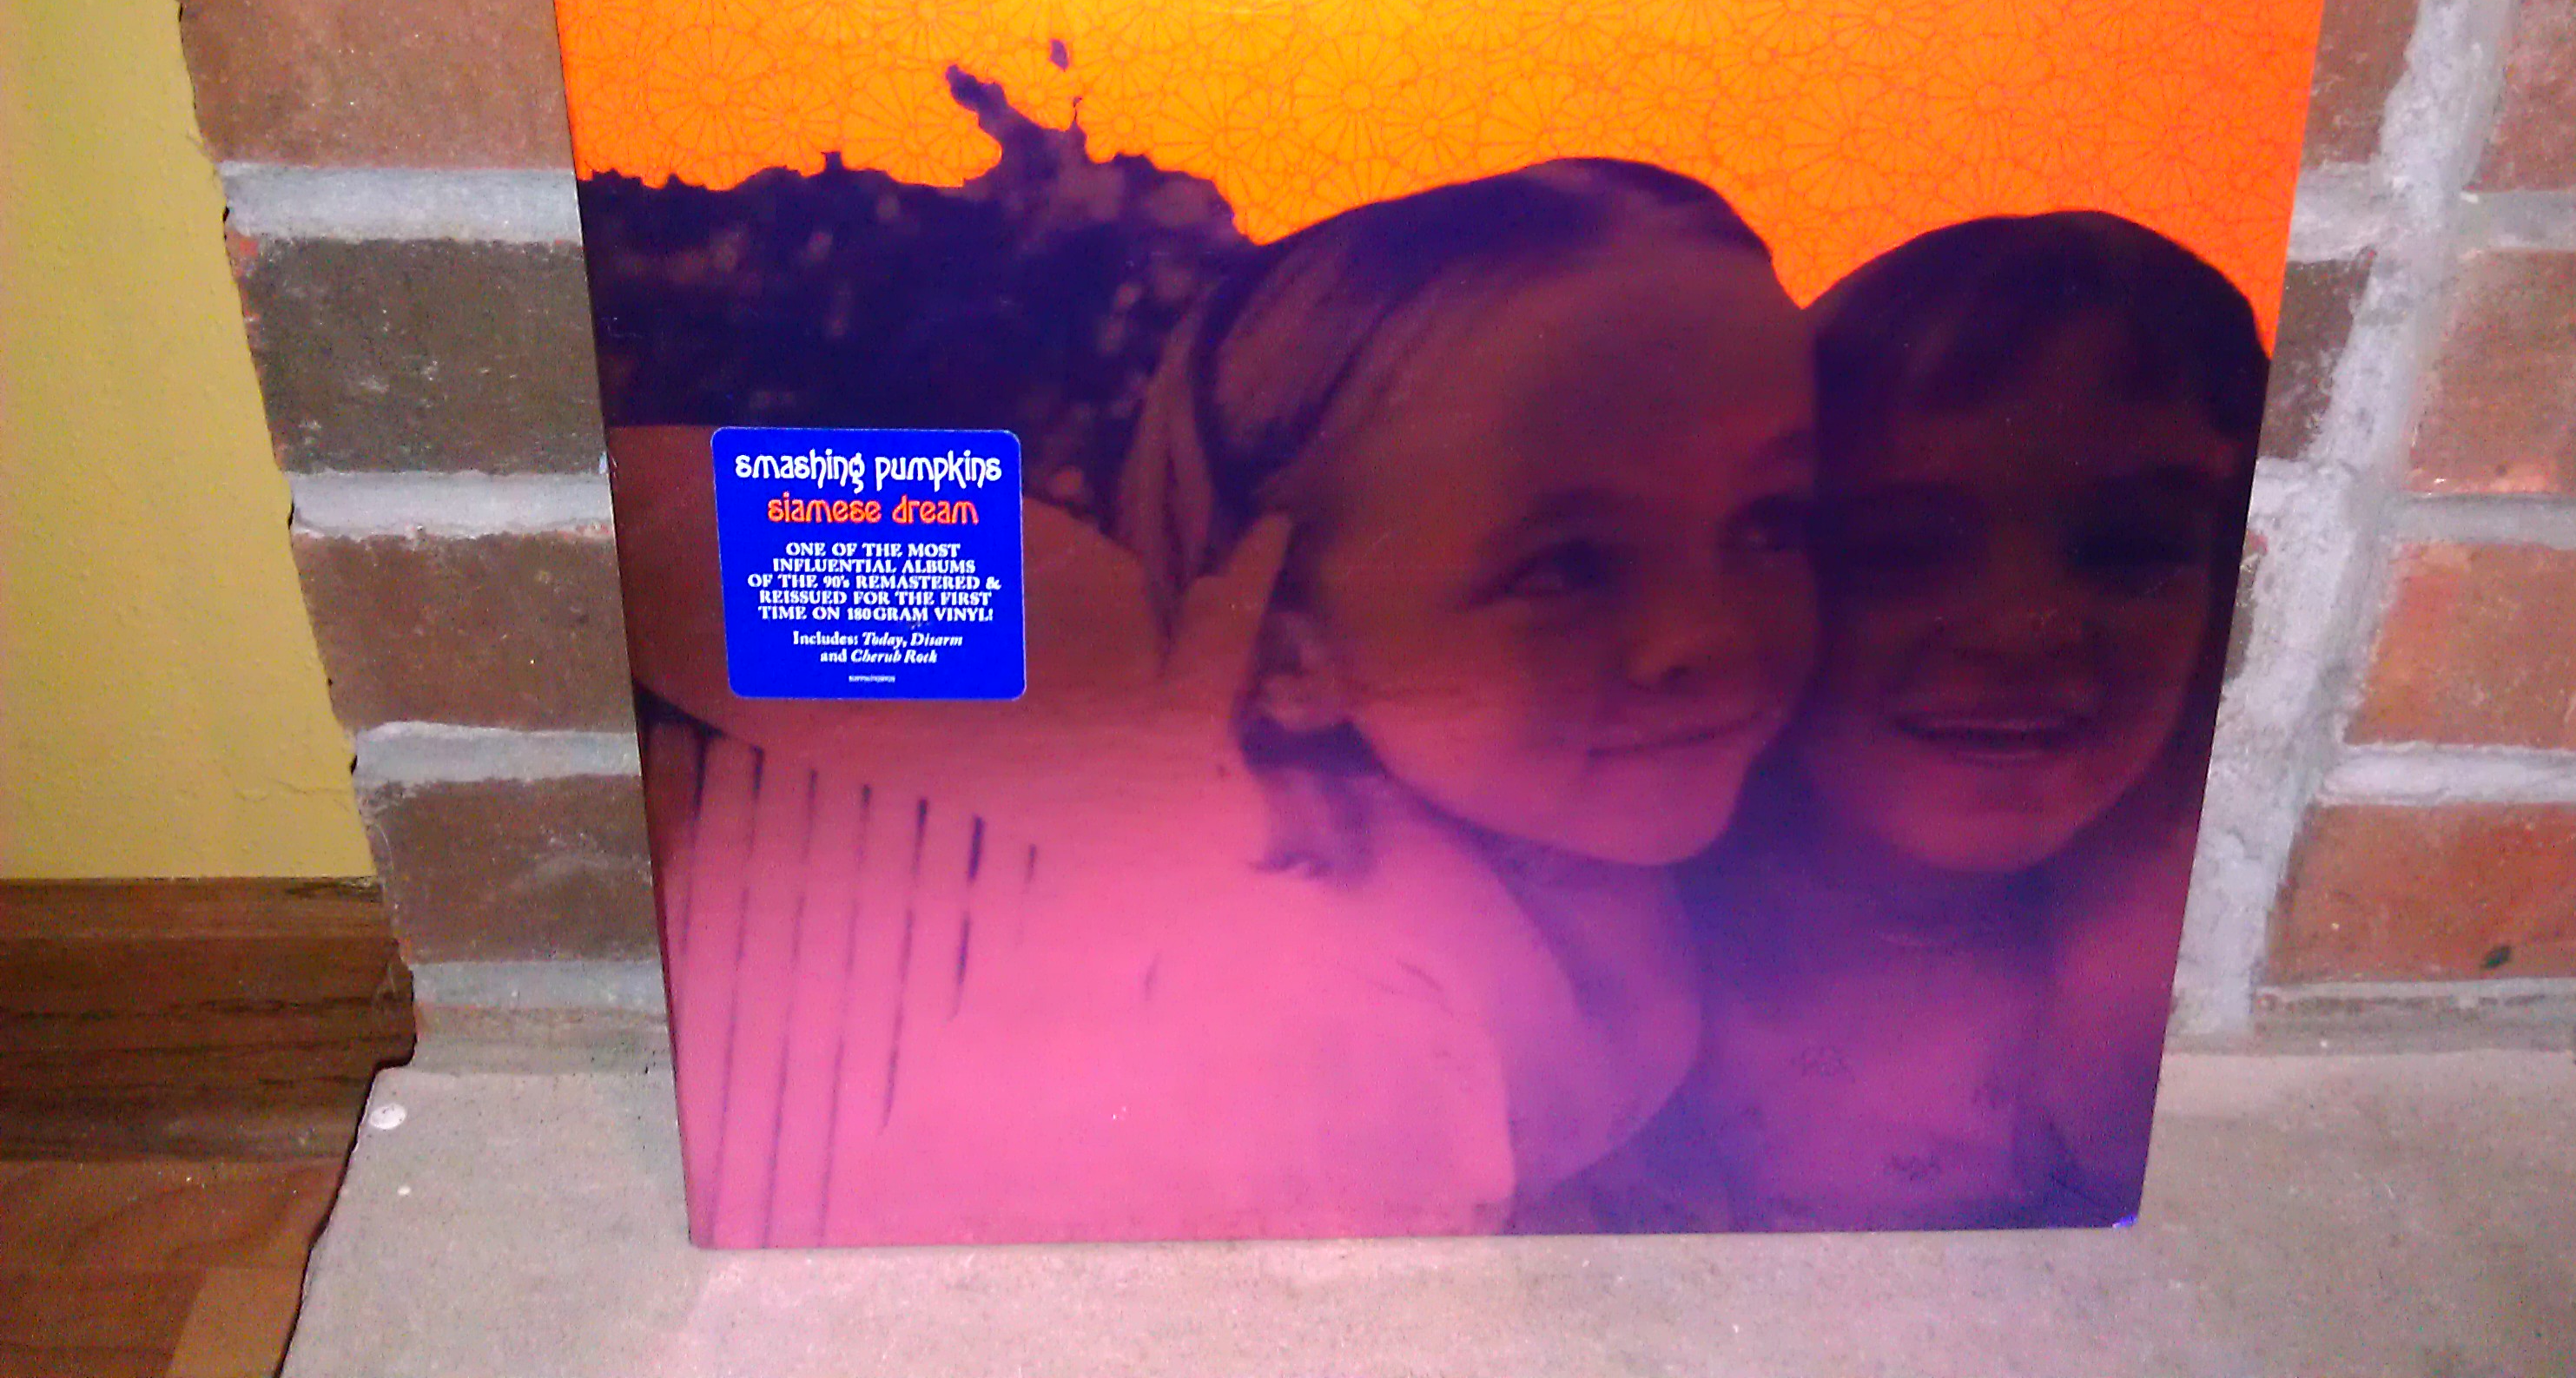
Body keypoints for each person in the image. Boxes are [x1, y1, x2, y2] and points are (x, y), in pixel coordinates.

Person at [614, 157, 1821, 1243]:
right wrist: (1101, 625)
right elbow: (617, 526)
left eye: (1773, 522)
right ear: (1287, 631)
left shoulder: (1522, 796)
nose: (1706, 635)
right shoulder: (1327, 1022)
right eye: (1565, 567)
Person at [1544, 209, 2265, 1232]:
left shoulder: (2190, 949)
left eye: (2131, 549)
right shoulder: (1595, 886)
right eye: (1898, 550)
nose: (2022, 628)